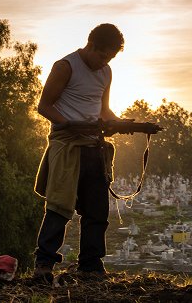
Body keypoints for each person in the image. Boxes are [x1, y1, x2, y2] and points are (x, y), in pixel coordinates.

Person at [33, 23, 125, 282]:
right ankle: (44, 263)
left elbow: (104, 110)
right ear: (91, 45)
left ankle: (91, 265)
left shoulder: (106, 72)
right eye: (103, 55)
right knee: (59, 206)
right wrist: (68, 123)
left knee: (97, 209)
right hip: (67, 145)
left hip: (93, 145)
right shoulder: (65, 67)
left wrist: (119, 123)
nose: (105, 61)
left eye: (110, 57)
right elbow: (44, 106)